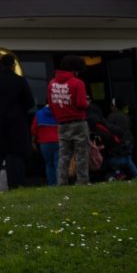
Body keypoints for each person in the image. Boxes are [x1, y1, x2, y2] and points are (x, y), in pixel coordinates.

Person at [0, 53, 35, 190]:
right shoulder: (20, 81)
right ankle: (15, 184)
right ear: (13, 65)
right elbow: (29, 102)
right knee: (15, 154)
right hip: (17, 123)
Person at [48, 55, 90, 186]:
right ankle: (82, 181)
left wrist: (59, 117)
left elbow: (51, 104)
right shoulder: (77, 83)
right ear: (75, 69)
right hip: (78, 122)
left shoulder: (52, 83)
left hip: (61, 123)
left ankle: (62, 182)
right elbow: (81, 104)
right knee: (81, 154)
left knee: (64, 155)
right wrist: (88, 103)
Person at [105, 97, 137, 179]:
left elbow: (109, 130)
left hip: (120, 143)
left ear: (115, 106)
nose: (111, 107)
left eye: (112, 105)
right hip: (129, 142)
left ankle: (133, 176)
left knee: (120, 161)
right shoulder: (125, 116)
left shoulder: (112, 116)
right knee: (128, 160)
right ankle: (129, 175)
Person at [31, 104, 60, 186]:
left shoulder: (39, 114)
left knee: (49, 164)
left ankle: (52, 184)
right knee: (58, 163)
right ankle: (60, 183)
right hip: (58, 141)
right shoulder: (58, 112)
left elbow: (33, 129)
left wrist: (33, 142)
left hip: (44, 144)